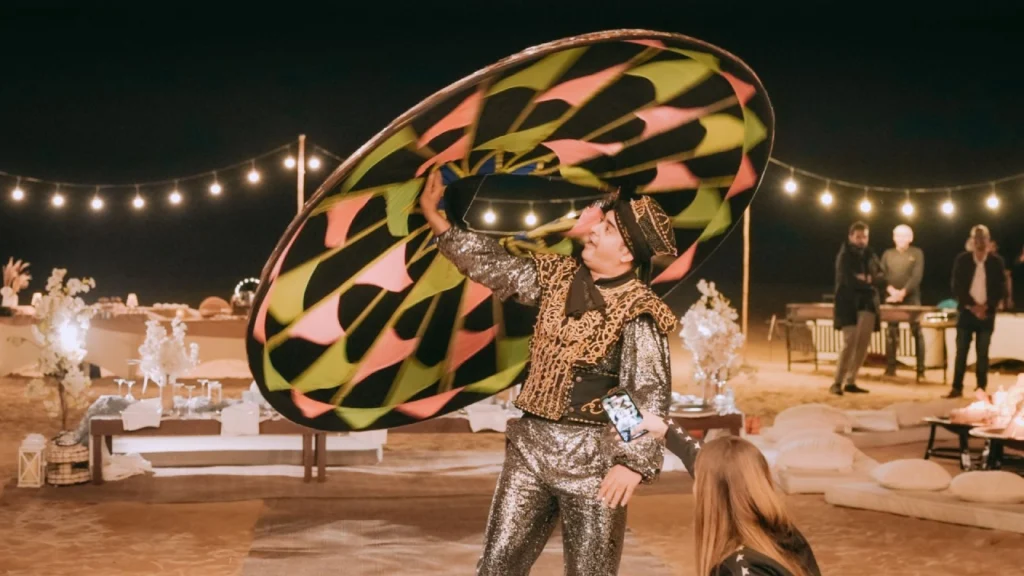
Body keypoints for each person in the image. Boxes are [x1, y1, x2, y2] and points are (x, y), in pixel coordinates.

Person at [419, 170, 679, 576]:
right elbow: (496, 266)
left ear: (627, 252)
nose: (593, 230)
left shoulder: (639, 310)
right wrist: (437, 221)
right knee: (496, 567)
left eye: (607, 228)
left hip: (594, 461)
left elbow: (644, 392)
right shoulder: (558, 277)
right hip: (531, 448)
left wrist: (632, 461)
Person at [631, 412, 821, 576]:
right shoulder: (783, 533)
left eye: (699, 481)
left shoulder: (740, 567)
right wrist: (667, 430)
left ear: (710, 493)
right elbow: (725, 473)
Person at [947, 225, 1007, 398]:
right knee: (961, 351)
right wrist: (972, 306)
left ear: (989, 241)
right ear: (972, 241)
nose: (980, 242)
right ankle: (956, 387)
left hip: (987, 313)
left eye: (983, 238)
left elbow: (999, 288)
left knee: (983, 353)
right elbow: (957, 285)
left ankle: (981, 387)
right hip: (966, 312)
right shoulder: (963, 260)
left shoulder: (996, 262)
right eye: (977, 238)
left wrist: (986, 307)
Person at [830, 221, 883, 395]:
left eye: (865, 237)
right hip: (849, 305)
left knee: (862, 344)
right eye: (858, 237)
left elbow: (882, 276)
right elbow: (848, 280)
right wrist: (868, 280)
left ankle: (851, 380)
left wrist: (867, 279)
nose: (862, 240)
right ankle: (837, 382)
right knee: (849, 342)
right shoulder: (845, 256)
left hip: (867, 304)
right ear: (851, 237)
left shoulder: (871, 254)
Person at [880, 224, 925, 378]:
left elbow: (916, 276)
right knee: (891, 333)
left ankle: (920, 370)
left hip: (912, 299)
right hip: (891, 299)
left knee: (917, 333)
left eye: (904, 235)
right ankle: (890, 368)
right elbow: (881, 275)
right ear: (893, 237)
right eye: (897, 235)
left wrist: (903, 293)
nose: (900, 238)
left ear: (911, 238)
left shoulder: (917, 253)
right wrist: (891, 291)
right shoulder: (887, 254)